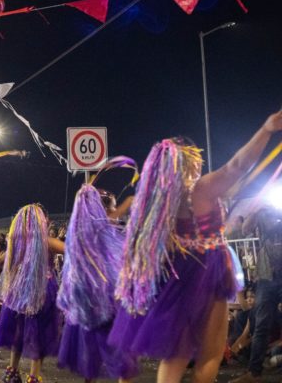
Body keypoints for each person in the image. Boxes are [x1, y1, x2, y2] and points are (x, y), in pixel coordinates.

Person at [111, 111, 282, 383]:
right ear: (187, 162)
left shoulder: (159, 202)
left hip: (179, 277)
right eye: (195, 157)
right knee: (210, 354)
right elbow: (235, 167)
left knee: (175, 356)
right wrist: (266, 129)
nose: (200, 161)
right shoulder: (199, 189)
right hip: (208, 273)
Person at [57, 184, 138, 382]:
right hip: (98, 304)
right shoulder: (89, 232)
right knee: (118, 356)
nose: (115, 213)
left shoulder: (105, 237)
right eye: (112, 207)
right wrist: (128, 202)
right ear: (99, 211)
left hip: (98, 304)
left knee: (103, 356)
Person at [0, 204, 65, 383]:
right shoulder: (46, 241)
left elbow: (2, 261)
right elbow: (71, 250)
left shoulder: (16, 242)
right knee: (40, 332)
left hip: (17, 291)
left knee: (19, 331)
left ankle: (12, 371)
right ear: (42, 220)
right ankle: (33, 376)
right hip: (42, 291)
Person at [228, 202, 282, 383]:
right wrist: (257, 210)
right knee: (260, 324)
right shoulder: (264, 213)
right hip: (267, 275)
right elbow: (245, 230)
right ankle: (254, 373)